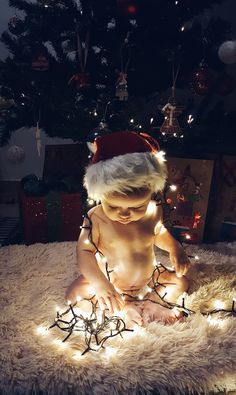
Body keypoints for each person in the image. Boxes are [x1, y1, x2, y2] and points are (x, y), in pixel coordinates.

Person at [66, 131, 190, 326]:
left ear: (150, 193)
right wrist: (100, 283)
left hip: (147, 280)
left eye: (136, 207)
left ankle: (153, 303)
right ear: (101, 194)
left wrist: (175, 248)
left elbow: (158, 233)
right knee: (75, 294)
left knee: (180, 282)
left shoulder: (152, 211)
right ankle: (123, 307)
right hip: (111, 281)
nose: (124, 214)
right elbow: (84, 251)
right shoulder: (96, 218)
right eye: (113, 207)